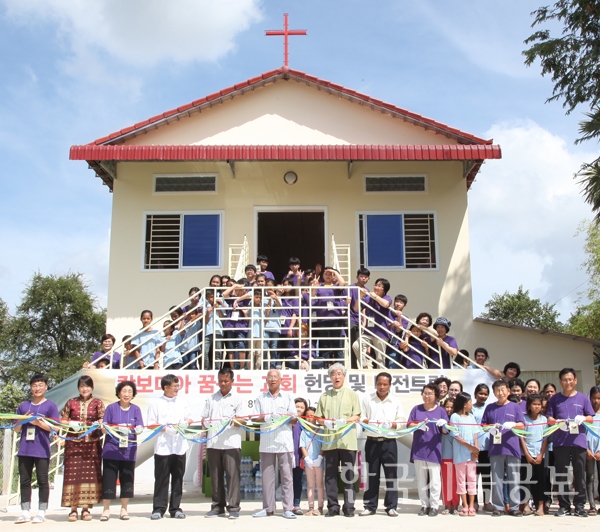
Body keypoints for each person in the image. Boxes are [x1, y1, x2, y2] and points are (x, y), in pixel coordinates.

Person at [546, 367, 594, 517]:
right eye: (565, 380)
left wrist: (583, 418)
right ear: (560, 382)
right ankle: (564, 506)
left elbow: (591, 418)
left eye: (570, 379)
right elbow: (549, 418)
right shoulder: (555, 399)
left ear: (575, 380)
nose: (568, 382)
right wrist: (556, 421)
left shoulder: (583, 398)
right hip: (561, 442)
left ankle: (580, 505)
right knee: (561, 475)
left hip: (579, 442)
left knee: (580, 475)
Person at [202, 367, 249, 520]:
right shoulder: (211, 399)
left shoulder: (238, 399)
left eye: (226, 381)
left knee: (232, 476)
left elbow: (243, 421)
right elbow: (204, 419)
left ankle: (233, 507)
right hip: (213, 443)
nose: (223, 384)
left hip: (231, 443)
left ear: (232, 381)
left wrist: (231, 421)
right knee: (216, 476)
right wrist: (208, 423)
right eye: (221, 381)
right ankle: (217, 506)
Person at [315, 363, 361, 517]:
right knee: (330, 476)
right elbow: (318, 418)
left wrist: (345, 421)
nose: (336, 377)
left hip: (348, 442)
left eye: (339, 374)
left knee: (349, 476)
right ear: (330, 377)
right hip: (330, 442)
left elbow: (357, 416)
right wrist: (325, 422)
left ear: (344, 376)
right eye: (333, 374)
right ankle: (333, 506)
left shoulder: (352, 395)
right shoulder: (324, 396)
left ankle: (349, 507)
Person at [14, 373, 59, 524]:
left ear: (46, 387)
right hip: (25, 449)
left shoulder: (50, 406)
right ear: (30, 388)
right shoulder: (23, 406)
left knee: (43, 480)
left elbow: (55, 428)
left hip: (42, 449)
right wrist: (23, 420)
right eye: (34, 385)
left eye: (40, 385)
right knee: (24, 480)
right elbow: (16, 429)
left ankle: (41, 512)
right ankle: (25, 511)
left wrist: (39, 423)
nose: (37, 388)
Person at [252, 369, 297, 519]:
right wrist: (267, 418)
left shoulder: (288, 397)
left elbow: (295, 419)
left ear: (280, 380)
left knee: (287, 477)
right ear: (266, 380)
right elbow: (254, 419)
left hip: (284, 442)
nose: (272, 379)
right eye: (270, 377)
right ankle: (268, 509)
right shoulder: (260, 398)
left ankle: (288, 508)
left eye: (275, 377)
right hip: (267, 442)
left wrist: (283, 417)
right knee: (267, 478)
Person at [359, 372, 406, 517]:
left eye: (385, 384)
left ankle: (391, 506)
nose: (382, 387)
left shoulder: (395, 401)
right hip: (372, 442)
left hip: (389, 442)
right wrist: (367, 421)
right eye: (379, 384)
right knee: (372, 475)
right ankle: (370, 506)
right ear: (376, 384)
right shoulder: (368, 399)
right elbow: (361, 417)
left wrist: (392, 425)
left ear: (390, 385)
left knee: (391, 475)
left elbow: (402, 420)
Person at [147, 374, 192, 520]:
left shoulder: (182, 402)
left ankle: (175, 508)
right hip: (163, 447)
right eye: (174, 386)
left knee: (178, 478)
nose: (177, 388)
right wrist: (165, 429)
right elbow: (151, 424)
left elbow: (189, 419)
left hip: (179, 446)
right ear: (166, 387)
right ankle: (158, 509)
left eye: (178, 385)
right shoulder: (156, 403)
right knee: (162, 478)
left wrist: (185, 423)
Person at [61, 375, 105, 522]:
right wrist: (70, 423)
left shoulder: (98, 403)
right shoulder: (71, 402)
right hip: (73, 443)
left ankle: (86, 508)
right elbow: (63, 420)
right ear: (78, 388)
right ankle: (73, 509)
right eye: (82, 386)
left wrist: (99, 423)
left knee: (89, 475)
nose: (84, 389)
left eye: (87, 386)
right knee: (73, 475)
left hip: (92, 444)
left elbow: (102, 419)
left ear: (92, 387)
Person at [100, 380, 144, 521]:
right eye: (124, 391)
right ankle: (106, 510)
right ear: (118, 393)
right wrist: (105, 427)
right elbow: (104, 428)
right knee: (109, 479)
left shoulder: (136, 409)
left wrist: (138, 429)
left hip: (128, 451)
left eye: (130, 391)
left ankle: (124, 509)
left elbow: (140, 427)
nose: (127, 394)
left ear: (133, 394)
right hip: (111, 449)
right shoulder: (111, 408)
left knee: (127, 480)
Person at [481, 379, 525, 517]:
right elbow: (483, 425)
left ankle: (514, 507)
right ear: (494, 393)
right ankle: (498, 507)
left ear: (508, 391)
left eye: (502, 390)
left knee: (514, 478)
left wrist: (513, 425)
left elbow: (522, 425)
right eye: (497, 391)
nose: (500, 393)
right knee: (497, 478)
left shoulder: (515, 407)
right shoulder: (490, 407)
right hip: (495, 448)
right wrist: (490, 428)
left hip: (512, 448)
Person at [407, 383, 448, 517]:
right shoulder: (416, 409)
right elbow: (409, 424)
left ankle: (434, 505)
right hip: (419, 449)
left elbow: (445, 431)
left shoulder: (441, 411)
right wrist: (418, 425)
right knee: (421, 479)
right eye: (425, 393)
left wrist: (444, 425)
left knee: (435, 480)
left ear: (436, 395)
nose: (427, 396)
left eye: (430, 394)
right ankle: (424, 505)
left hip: (434, 450)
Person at [450, 392, 480, 517]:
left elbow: (476, 433)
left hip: (472, 455)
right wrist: (470, 447)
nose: (471, 404)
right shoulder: (454, 417)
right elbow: (456, 435)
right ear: (464, 404)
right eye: (470, 402)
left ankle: (472, 505)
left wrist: (475, 450)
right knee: (461, 480)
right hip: (460, 454)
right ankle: (465, 505)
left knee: (472, 479)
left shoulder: (471, 417)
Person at [352, 278, 392, 369]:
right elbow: (356, 308)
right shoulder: (368, 298)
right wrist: (361, 296)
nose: (376, 287)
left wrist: (375, 297)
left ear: (384, 289)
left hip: (381, 332)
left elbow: (385, 304)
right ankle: (365, 366)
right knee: (356, 345)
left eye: (379, 286)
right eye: (375, 285)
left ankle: (381, 374)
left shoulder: (387, 297)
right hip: (368, 331)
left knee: (380, 358)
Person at [311, 267, 347, 365]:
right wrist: (314, 286)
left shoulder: (336, 286)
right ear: (322, 276)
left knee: (337, 344)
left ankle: (340, 366)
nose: (328, 276)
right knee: (325, 344)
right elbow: (312, 298)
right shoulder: (319, 286)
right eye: (326, 274)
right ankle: (325, 366)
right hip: (322, 319)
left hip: (336, 319)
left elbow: (342, 283)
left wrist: (334, 271)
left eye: (330, 274)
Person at [519, 394, 548, 516]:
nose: (537, 407)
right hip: (526, 455)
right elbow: (521, 437)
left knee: (540, 480)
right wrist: (526, 454)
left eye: (539, 404)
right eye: (534, 404)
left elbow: (545, 438)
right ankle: (525, 505)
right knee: (525, 480)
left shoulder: (544, 420)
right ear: (529, 406)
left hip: (539, 455)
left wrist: (541, 454)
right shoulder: (524, 419)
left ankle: (540, 506)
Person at [472, 383, 493, 512]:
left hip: (487, 447)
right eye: (480, 393)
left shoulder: (490, 408)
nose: (483, 396)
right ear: (475, 394)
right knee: (473, 477)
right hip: (474, 447)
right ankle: (474, 501)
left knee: (486, 477)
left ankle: (487, 502)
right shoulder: (470, 408)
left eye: (485, 394)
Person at [300, 406, 324, 516]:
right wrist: (306, 458)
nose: (310, 418)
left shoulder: (321, 431)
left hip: (319, 461)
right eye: (308, 416)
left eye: (312, 415)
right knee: (310, 484)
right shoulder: (304, 432)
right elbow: (302, 446)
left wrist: (320, 457)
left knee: (319, 484)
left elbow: (324, 446)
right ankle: (310, 507)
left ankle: (320, 507)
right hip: (308, 461)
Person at [348, 267, 370, 369]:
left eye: (366, 277)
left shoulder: (367, 291)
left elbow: (364, 308)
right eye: (361, 276)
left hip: (359, 320)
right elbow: (351, 305)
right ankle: (354, 367)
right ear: (357, 277)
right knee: (353, 343)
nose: (363, 278)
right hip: (350, 318)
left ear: (368, 279)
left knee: (357, 345)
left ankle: (359, 366)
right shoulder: (351, 288)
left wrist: (364, 322)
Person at [440, 397, 458, 515]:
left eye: (452, 407)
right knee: (446, 481)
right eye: (447, 407)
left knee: (456, 482)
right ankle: (447, 505)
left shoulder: (458, 419)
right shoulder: (441, 420)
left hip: (458, 456)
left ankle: (455, 505)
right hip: (445, 455)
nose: (449, 409)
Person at [292, 398, 308, 514]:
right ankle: (287, 504)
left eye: (302, 407)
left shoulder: (306, 423)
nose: (299, 409)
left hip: (299, 456)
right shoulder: (288, 421)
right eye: (297, 406)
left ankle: (296, 504)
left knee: (297, 481)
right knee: (287, 481)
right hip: (287, 455)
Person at [585, 386, 600, 516]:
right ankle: (592, 505)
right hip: (588, 450)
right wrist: (586, 449)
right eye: (594, 398)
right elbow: (581, 434)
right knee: (590, 477)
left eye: (599, 398)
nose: (596, 401)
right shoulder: (586, 415)